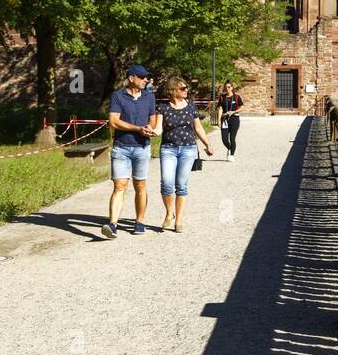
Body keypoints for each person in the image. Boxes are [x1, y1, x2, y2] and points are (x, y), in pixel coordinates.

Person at [104, 65, 157, 238]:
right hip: (121, 147)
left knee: (140, 185)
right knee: (119, 186)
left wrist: (150, 127)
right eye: (142, 77)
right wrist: (137, 128)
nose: (145, 80)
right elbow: (113, 121)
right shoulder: (118, 96)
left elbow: (153, 119)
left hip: (142, 148)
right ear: (131, 78)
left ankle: (139, 221)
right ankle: (112, 225)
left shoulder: (149, 97)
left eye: (146, 77)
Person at [156, 77, 212, 233]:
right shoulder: (162, 108)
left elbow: (198, 128)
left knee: (181, 184)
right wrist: (151, 131)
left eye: (186, 88)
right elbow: (159, 128)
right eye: (183, 88)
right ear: (173, 90)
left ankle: (179, 220)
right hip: (168, 149)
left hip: (188, 149)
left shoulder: (191, 107)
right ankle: (169, 213)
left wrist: (207, 144)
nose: (187, 90)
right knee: (166, 182)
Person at [217, 81, 244, 161]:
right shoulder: (222, 97)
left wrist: (234, 112)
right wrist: (218, 120)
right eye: (226, 87)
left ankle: (232, 155)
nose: (227, 88)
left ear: (232, 88)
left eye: (229, 87)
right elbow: (220, 109)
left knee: (232, 138)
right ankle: (229, 148)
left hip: (234, 119)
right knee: (224, 139)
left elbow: (242, 107)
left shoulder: (236, 97)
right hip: (225, 120)